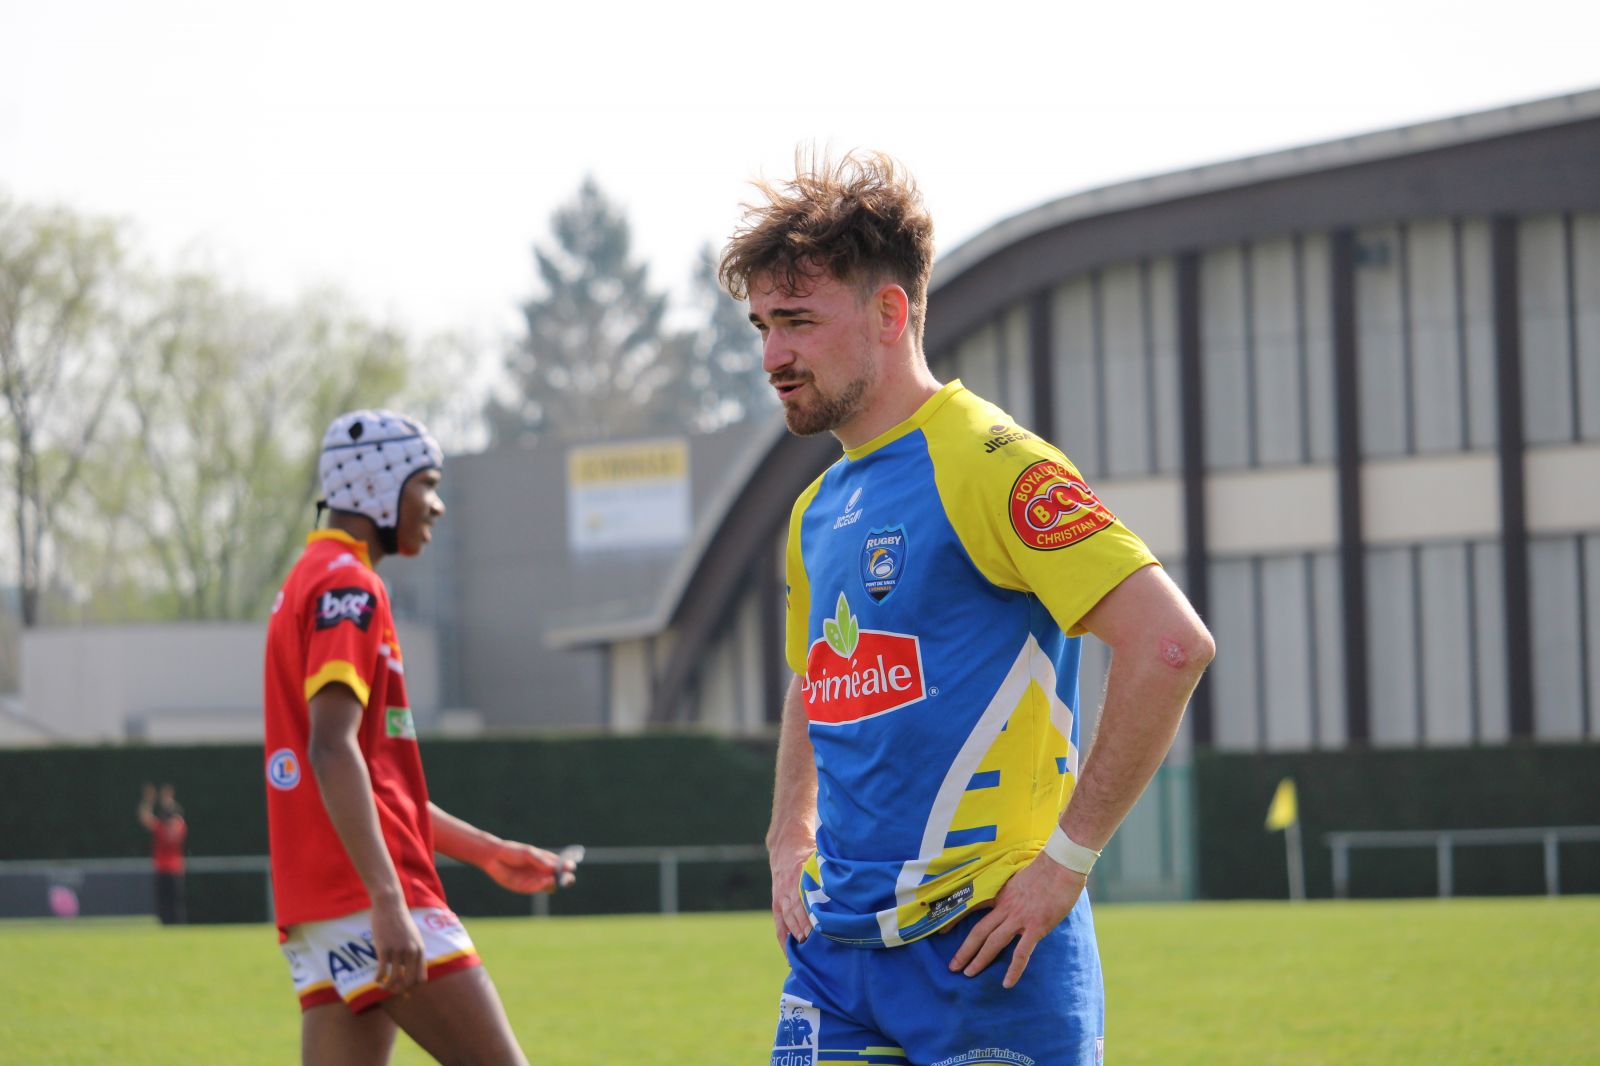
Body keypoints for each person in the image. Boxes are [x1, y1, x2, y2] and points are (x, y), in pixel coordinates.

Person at [719, 153, 1216, 1065]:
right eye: (762, 326)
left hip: (991, 954)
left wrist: (1067, 863)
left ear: (888, 313)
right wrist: (788, 832)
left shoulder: (993, 461)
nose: (772, 358)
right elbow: (813, 678)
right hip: (835, 958)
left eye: (797, 322)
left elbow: (1169, 645)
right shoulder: (816, 508)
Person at [263, 409, 577, 1066]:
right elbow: (331, 749)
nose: (436, 506)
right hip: (370, 897)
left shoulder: (307, 579)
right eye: (427, 484)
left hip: (322, 909)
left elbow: (374, 783)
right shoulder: (349, 585)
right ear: (376, 485)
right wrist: (386, 900)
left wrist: (487, 852)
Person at [137, 782, 187, 924]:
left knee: (173, 903)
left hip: (173, 869)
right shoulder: (165, 827)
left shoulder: (170, 827)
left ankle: (175, 925)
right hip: (164, 869)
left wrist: (151, 801)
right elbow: (146, 818)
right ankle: (170, 926)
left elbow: (146, 818)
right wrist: (152, 801)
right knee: (166, 903)